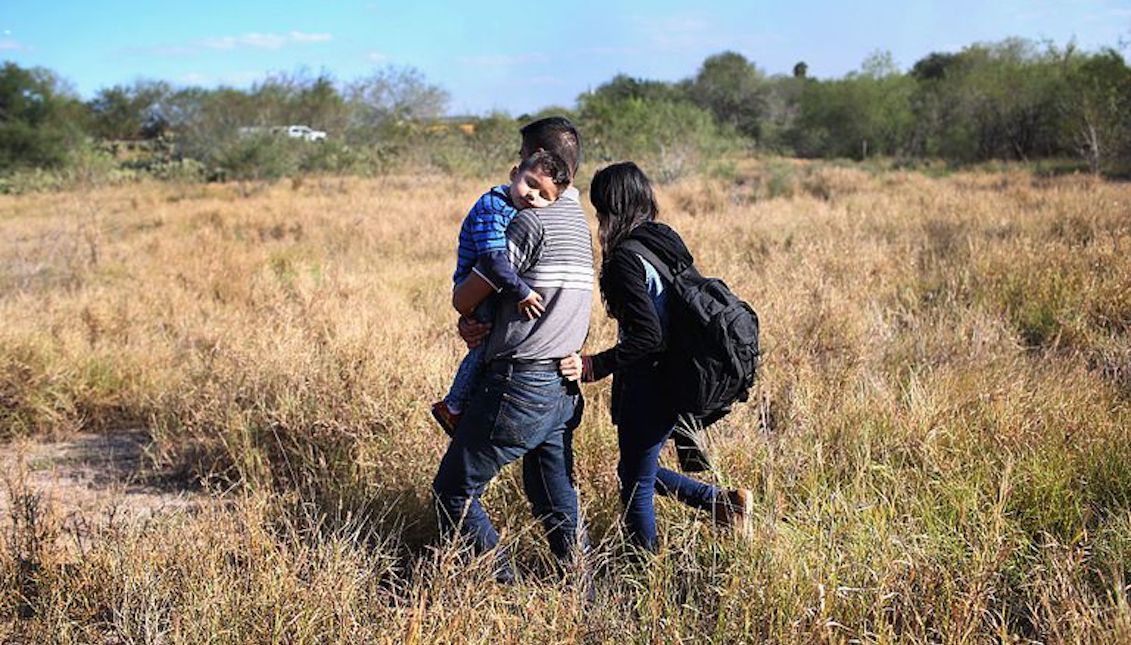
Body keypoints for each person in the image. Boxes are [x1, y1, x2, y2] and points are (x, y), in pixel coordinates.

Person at [559, 161, 752, 552]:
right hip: (681, 372)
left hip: (652, 381)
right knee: (637, 471)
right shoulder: (662, 238)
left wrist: (597, 364)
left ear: (609, 208)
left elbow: (648, 335)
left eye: (599, 208)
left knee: (635, 487)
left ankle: (645, 572)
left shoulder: (624, 259)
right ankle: (721, 503)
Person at [432, 117, 592, 582]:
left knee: (453, 492)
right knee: (552, 495)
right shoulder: (578, 222)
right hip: (563, 385)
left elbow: (466, 297)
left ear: (538, 160)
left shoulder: (526, 220)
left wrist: (466, 314)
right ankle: (582, 592)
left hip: (520, 382)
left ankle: (507, 590)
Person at [431, 150, 573, 435]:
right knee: (483, 349)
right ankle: (454, 405)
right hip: (480, 287)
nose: (533, 196)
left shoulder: (520, 209)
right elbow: (493, 260)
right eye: (530, 184)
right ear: (513, 173)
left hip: (495, 287)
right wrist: (523, 292)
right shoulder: (492, 207)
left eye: (544, 196)